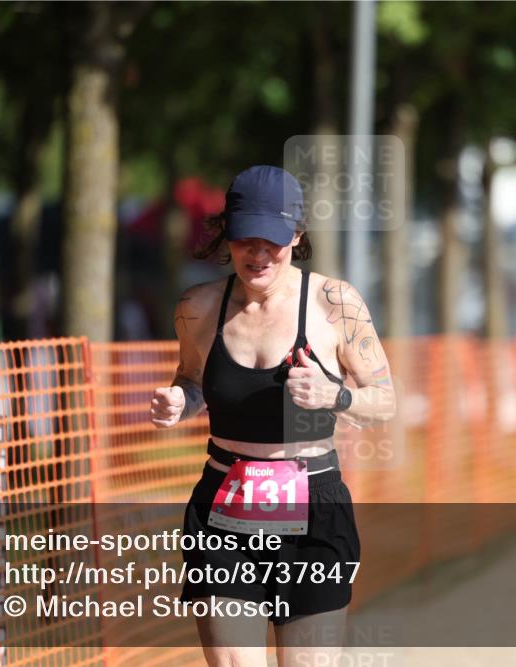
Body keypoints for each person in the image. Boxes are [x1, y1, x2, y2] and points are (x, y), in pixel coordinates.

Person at [150, 165, 396, 667]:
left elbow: (384, 401)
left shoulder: (336, 305)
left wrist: (335, 396)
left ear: (297, 235)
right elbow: (193, 380)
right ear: (227, 237)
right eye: (245, 239)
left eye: (272, 240)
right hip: (225, 505)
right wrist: (180, 401)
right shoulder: (197, 308)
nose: (258, 253)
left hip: (313, 510)